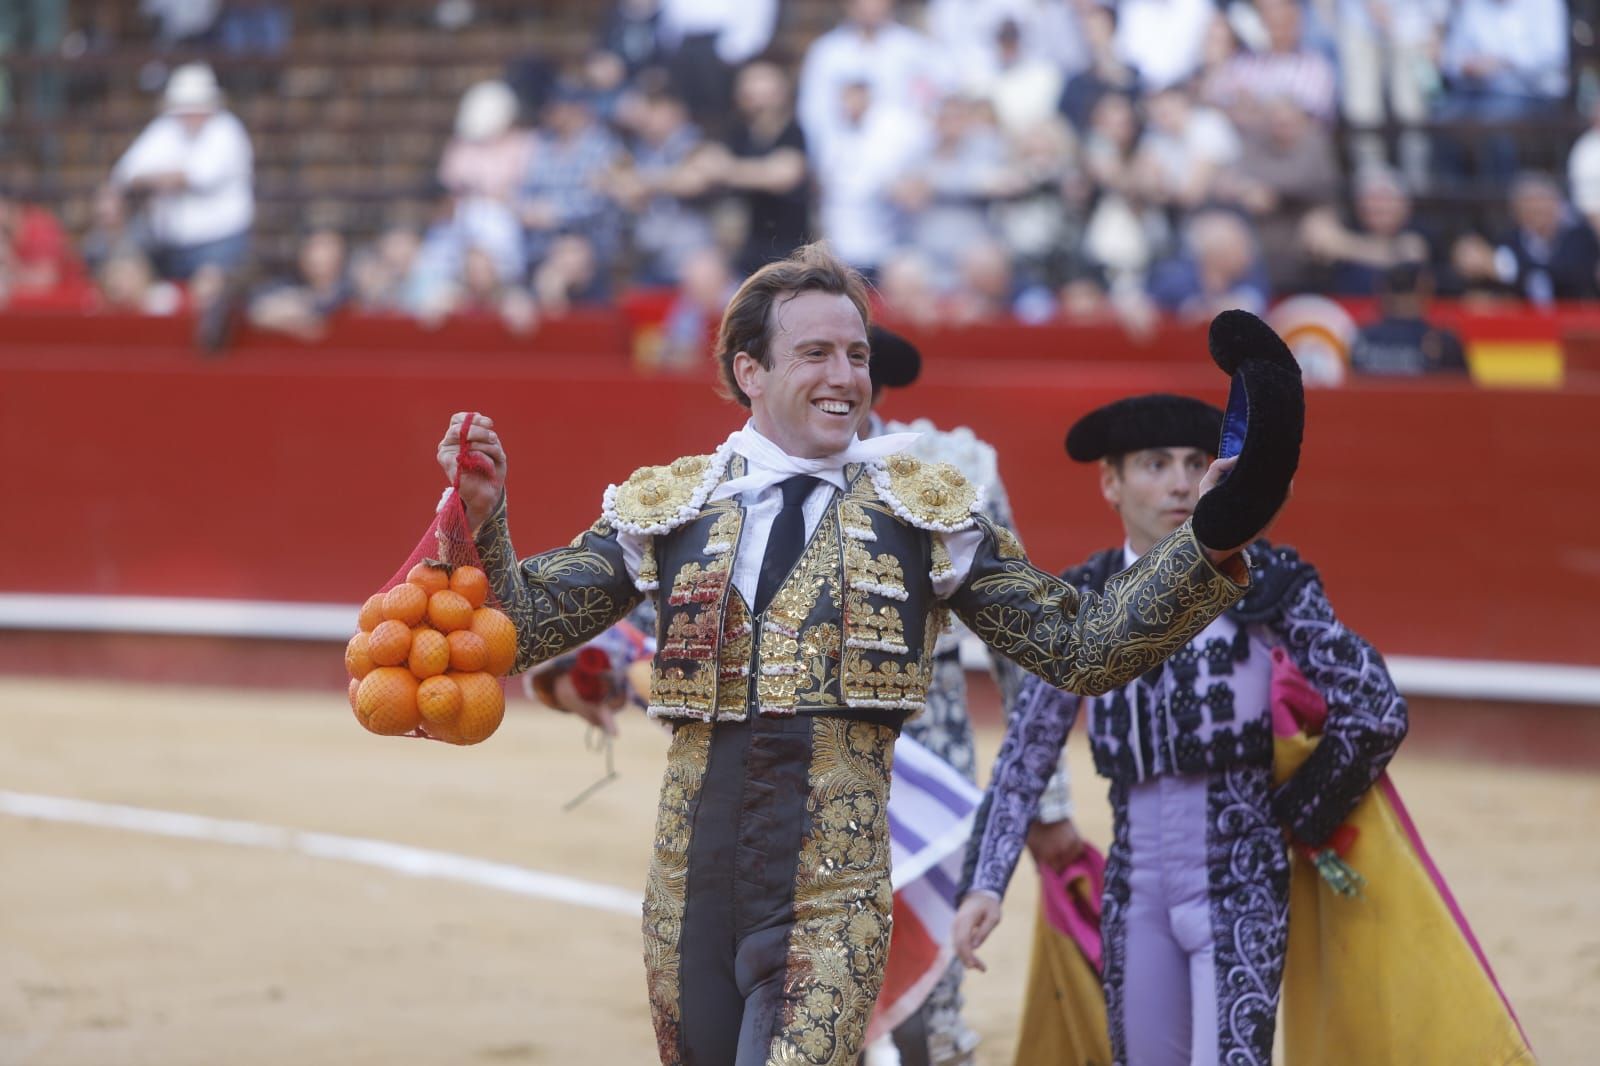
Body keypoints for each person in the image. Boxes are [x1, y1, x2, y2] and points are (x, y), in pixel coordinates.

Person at [436, 243, 1267, 1066]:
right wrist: (481, 518)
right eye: (817, 353)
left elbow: (1081, 648)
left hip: (834, 900)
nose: (846, 376)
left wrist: (1212, 537)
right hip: (687, 900)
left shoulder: (924, 510)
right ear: (750, 371)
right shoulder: (671, 504)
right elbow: (524, 631)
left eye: (858, 355)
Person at [952, 393, 1407, 1066]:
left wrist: (1298, 815)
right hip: (1134, 892)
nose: (1177, 482)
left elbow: (1375, 709)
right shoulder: (1083, 603)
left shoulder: (1267, 582)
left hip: (1242, 883)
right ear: (1110, 482)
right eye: (1153, 463)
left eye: (1196, 463)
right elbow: (1026, 752)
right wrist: (984, 883)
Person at [110, 62, 253, 282]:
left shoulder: (227, 130)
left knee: (210, 295)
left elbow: (197, 177)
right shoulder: (165, 127)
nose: (190, 115)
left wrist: (153, 179)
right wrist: (162, 179)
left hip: (219, 242)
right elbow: (125, 174)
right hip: (169, 243)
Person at [1349, 262, 1468, 377]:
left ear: (1382, 291)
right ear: (1424, 289)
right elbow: (1469, 393)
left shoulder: (1361, 340)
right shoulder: (1443, 343)